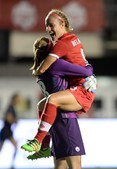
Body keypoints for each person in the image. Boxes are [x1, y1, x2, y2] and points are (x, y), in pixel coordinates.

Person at [30, 37, 92, 169]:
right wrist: (88, 70)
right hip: (65, 117)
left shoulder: (40, 70)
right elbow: (85, 70)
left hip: (54, 119)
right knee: (75, 168)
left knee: (59, 168)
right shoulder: (56, 65)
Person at [21, 9, 96, 153]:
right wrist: (90, 72)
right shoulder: (73, 38)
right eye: (46, 25)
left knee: (52, 100)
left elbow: (42, 69)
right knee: (42, 104)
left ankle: (38, 141)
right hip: (83, 86)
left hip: (81, 90)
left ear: (62, 24)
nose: (48, 29)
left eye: (51, 25)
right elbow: (85, 67)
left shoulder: (60, 45)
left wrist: (36, 71)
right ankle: (44, 145)